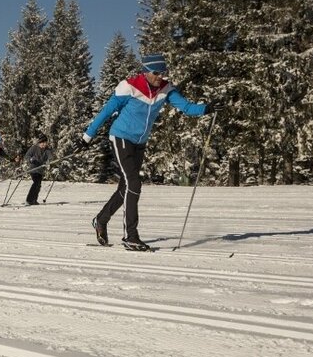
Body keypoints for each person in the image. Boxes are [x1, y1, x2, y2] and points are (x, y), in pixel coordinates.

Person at [75, 53, 221, 251]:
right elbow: (106, 112)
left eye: (162, 72)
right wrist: (87, 137)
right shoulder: (129, 87)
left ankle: (101, 220)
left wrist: (207, 108)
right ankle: (130, 236)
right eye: (156, 72)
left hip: (139, 143)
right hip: (121, 137)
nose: (160, 76)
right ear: (145, 72)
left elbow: (186, 107)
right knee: (134, 183)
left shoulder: (165, 90)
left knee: (125, 187)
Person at [24, 135, 53, 205]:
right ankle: (29, 200)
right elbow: (27, 156)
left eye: (44, 142)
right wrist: (30, 159)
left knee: (39, 184)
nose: (43, 144)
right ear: (39, 143)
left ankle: (34, 200)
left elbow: (50, 158)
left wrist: (48, 162)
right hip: (33, 168)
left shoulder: (47, 150)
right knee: (36, 182)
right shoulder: (34, 148)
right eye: (41, 143)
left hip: (40, 170)